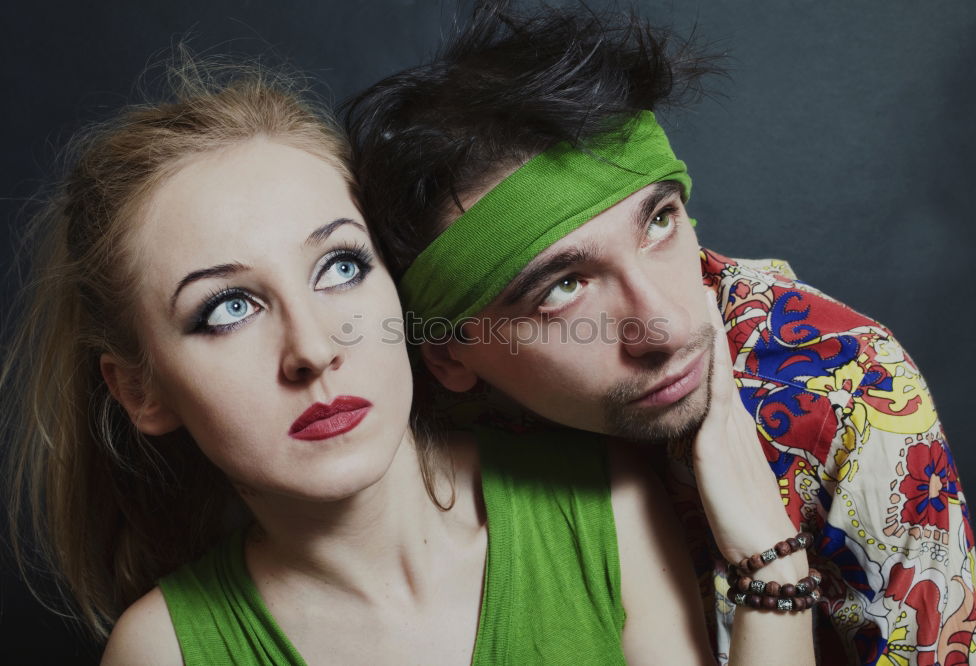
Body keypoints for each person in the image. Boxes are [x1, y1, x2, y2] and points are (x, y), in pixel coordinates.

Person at [2, 55, 808, 665]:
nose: (314, 350)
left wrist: (771, 562)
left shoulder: (593, 502)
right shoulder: (165, 652)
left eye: (340, 268)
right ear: (140, 390)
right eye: (228, 309)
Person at [344, 2, 976, 664]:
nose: (667, 325)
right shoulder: (394, 428)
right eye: (563, 287)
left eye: (658, 222)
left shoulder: (845, 393)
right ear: (449, 356)